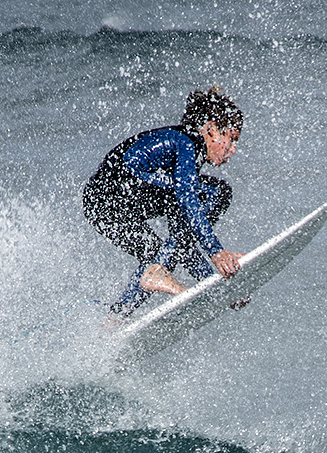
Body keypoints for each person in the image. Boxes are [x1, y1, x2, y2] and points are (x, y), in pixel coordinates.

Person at [83, 86, 245, 316]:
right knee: (216, 191)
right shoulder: (187, 143)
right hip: (116, 194)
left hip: (98, 206)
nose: (233, 149)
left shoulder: (182, 153)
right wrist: (216, 252)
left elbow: (182, 241)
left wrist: (217, 290)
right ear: (211, 129)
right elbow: (187, 200)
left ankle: (116, 317)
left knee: (157, 252)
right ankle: (157, 272)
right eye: (231, 139)